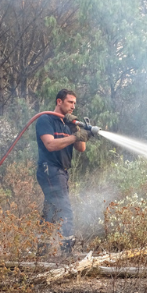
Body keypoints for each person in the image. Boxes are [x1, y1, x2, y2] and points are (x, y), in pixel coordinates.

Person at [36, 89, 90, 255]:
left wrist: (77, 130)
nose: (73, 106)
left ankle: (42, 250)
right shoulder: (45, 119)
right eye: (70, 102)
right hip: (49, 169)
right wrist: (75, 137)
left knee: (51, 209)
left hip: (62, 171)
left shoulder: (69, 124)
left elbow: (81, 148)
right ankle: (66, 252)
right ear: (59, 101)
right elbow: (50, 145)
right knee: (64, 209)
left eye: (75, 103)